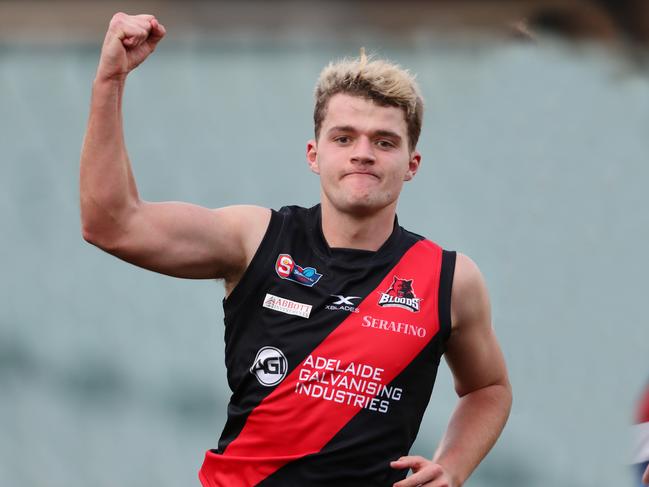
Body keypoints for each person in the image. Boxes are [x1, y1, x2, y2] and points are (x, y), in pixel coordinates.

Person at [80, 12, 512, 487]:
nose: (362, 153)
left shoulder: (448, 279)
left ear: (411, 164)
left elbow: (488, 388)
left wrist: (452, 467)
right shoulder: (256, 238)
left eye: (383, 142)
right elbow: (112, 223)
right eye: (343, 137)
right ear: (315, 154)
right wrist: (110, 79)